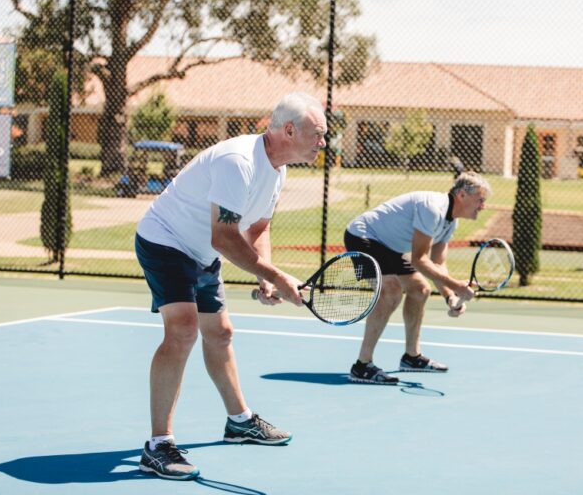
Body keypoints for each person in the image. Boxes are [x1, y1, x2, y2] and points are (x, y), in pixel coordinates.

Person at [135, 92, 327, 480]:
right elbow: (224, 237)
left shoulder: (278, 167)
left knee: (220, 333)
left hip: (203, 251)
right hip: (165, 241)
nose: (323, 143)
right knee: (183, 330)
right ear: (289, 130)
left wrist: (264, 273)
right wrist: (277, 277)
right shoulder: (238, 162)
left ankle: (240, 423)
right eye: (318, 134)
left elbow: (257, 227)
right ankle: (157, 446)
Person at [344, 171, 492, 384]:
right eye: (480, 200)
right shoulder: (433, 208)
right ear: (461, 195)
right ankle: (362, 365)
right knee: (391, 291)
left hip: (389, 245)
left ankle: (412, 357)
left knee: (420, 289)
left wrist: (450, 296)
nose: (482, 206)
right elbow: (419, 260)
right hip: (364, 236)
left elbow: (438, 264)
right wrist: (457, 285)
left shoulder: (451, 222)